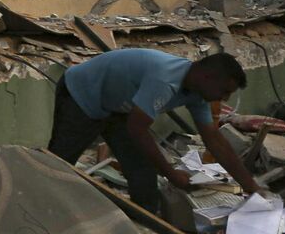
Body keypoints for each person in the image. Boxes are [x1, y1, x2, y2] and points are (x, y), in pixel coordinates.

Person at [48, 49, 261, 214]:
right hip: (82, 94)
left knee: (142, 170)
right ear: (207, 77)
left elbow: (215, 141)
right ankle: (41, 214)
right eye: (224, 91)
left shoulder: (197, 94)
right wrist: (171, 173)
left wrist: (250, 185)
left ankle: (146, 219)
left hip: (120, 106)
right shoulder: (165, 79)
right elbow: (138, 129)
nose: (224, 99)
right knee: (58, 165)